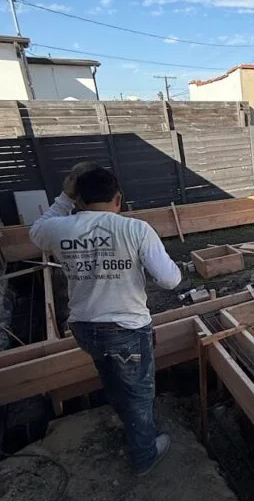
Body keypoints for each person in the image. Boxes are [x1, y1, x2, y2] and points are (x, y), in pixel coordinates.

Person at [29, 163, 182, 474]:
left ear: (78, 199)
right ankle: (144, 455)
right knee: (138, 393)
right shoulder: (135, 229)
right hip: (126, 330)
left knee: (111, 378)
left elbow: (36, 231)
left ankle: (127, 421)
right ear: (118, 198)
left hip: (85, 328)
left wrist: (64, 197)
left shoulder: (60, 228)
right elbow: (169, 280)